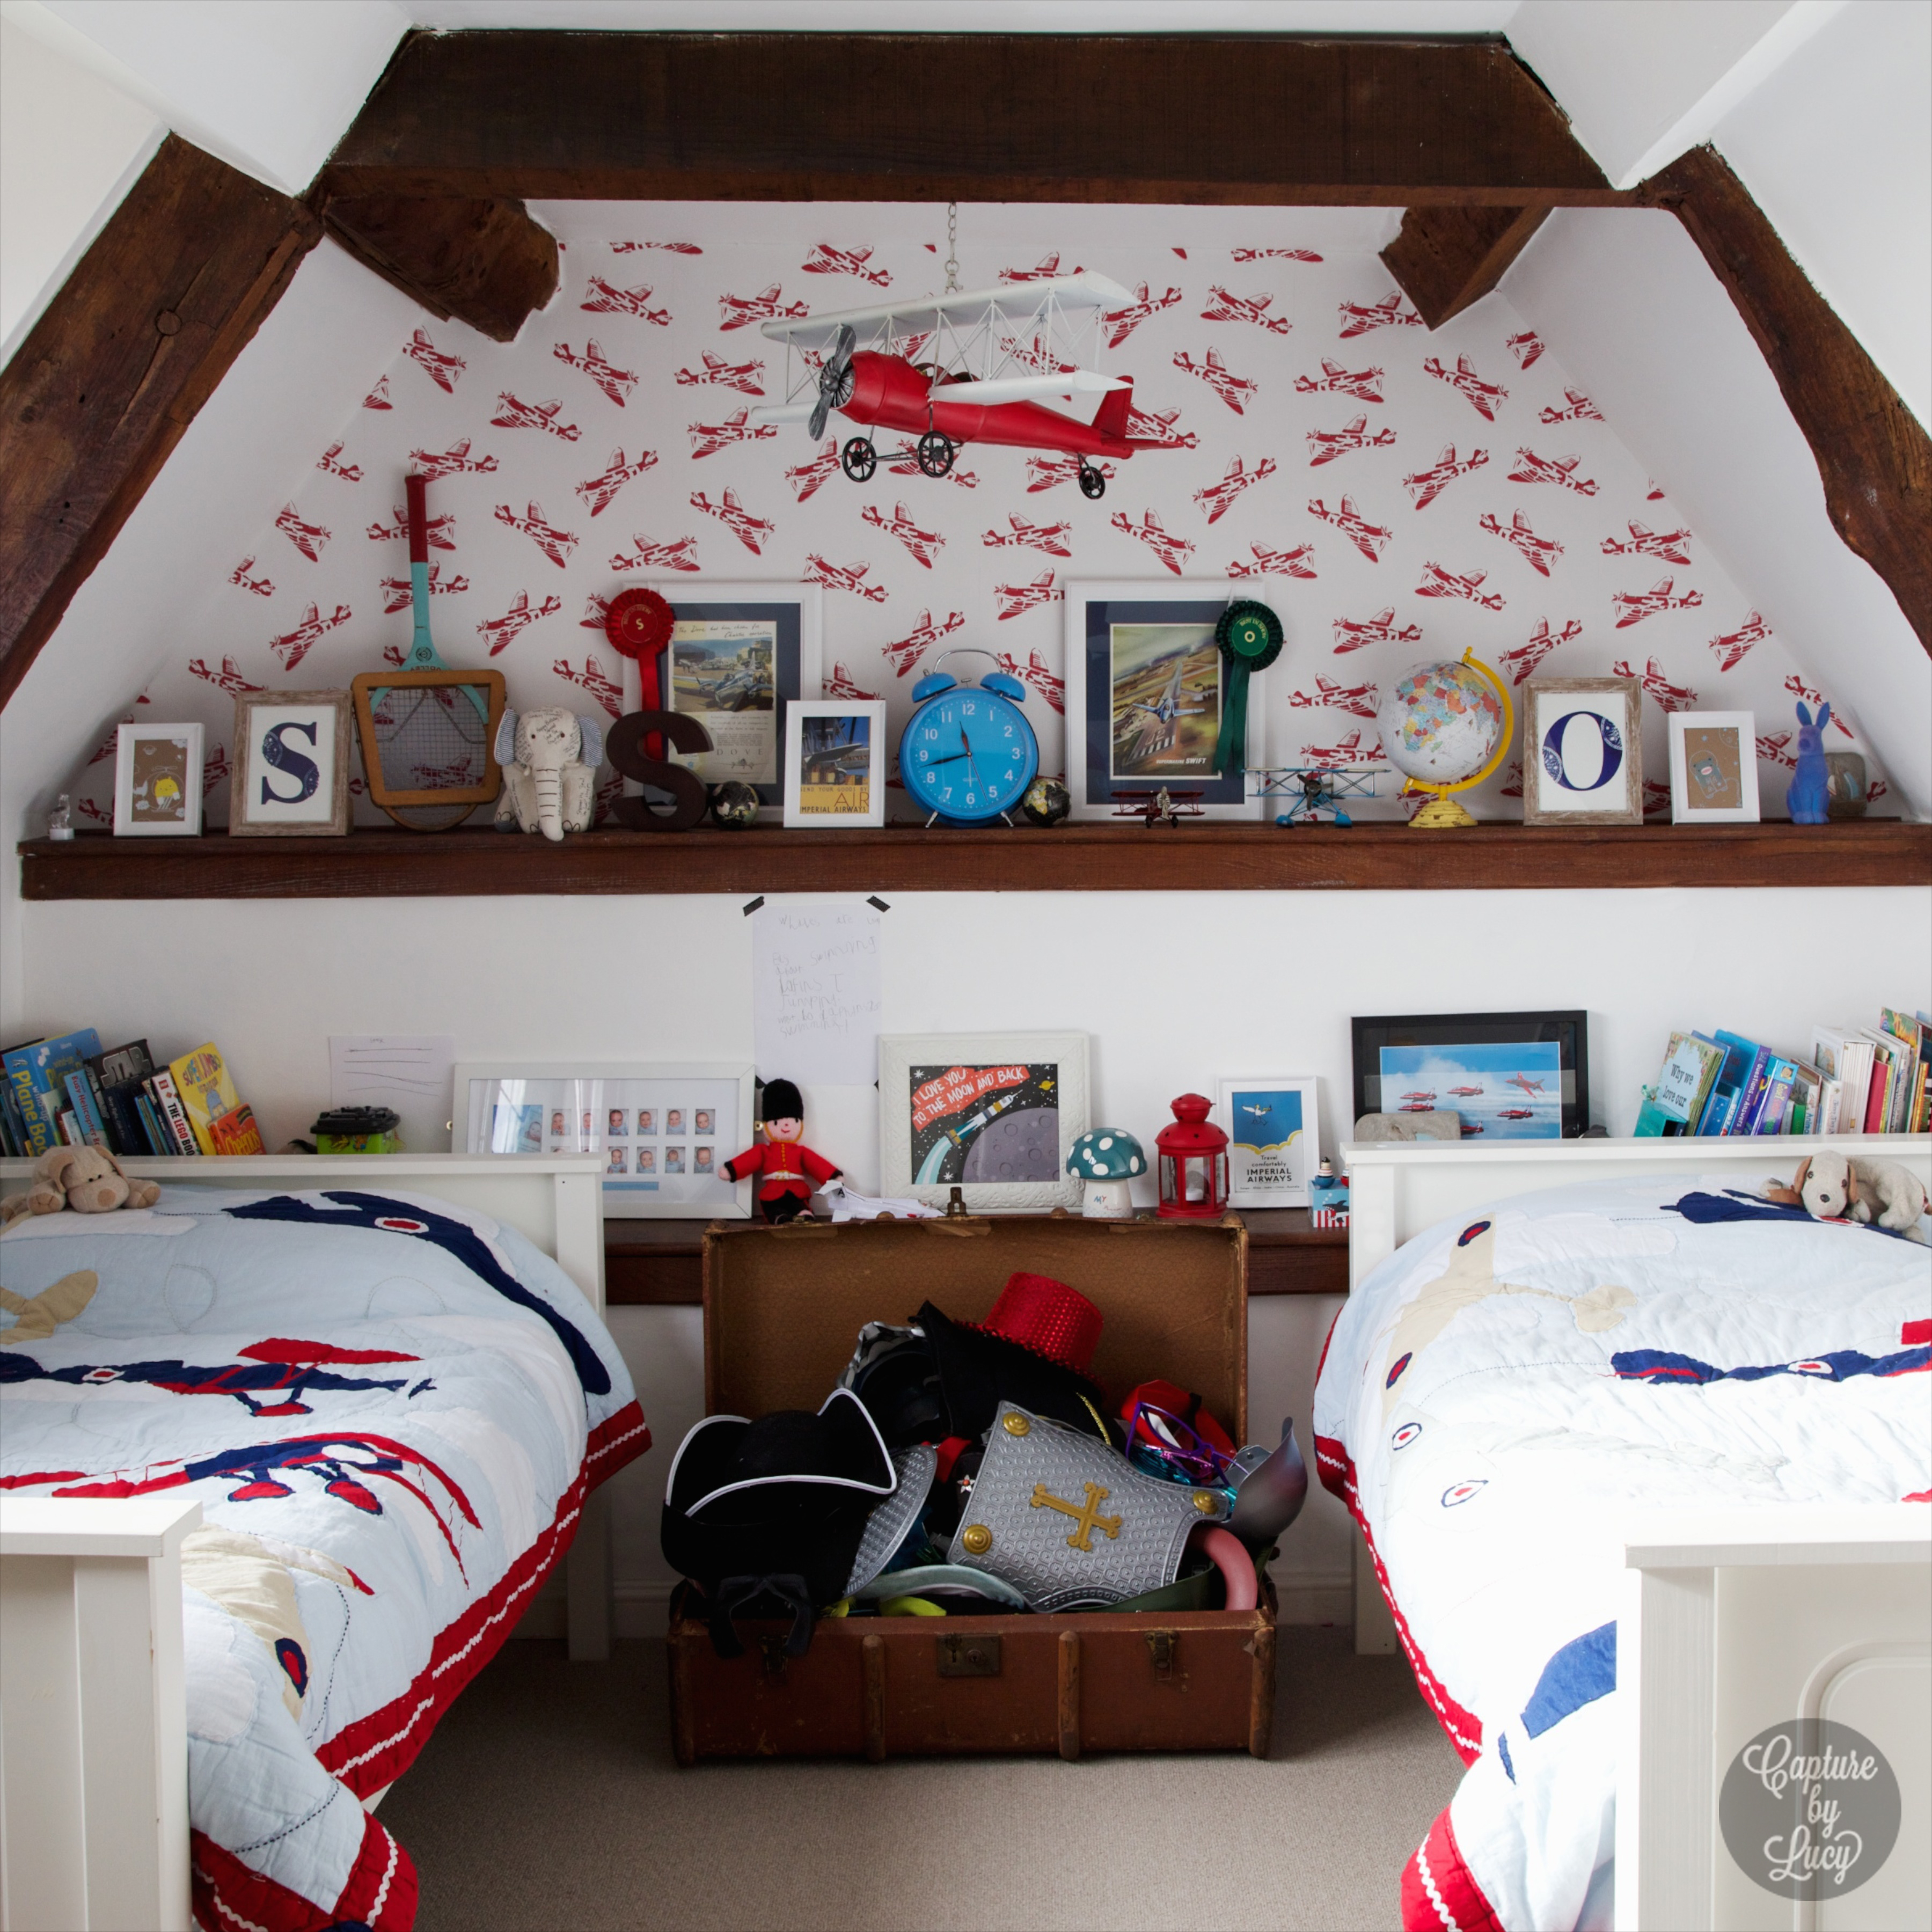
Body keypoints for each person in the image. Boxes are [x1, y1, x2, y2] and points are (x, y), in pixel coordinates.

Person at [722, 1078, 841, 1224]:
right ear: (766, 1124)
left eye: (794, 1121)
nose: (785, 1126)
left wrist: (833, 1177)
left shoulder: (801, 1152)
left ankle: (804, 1215)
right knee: (773, 1209)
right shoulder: (763, 1151)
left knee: (801, 1206)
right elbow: (747, 1162)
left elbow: (816, 1165)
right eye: (777, 1123)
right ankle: (780, 1218)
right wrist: (731, 1170)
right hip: (772, 1194)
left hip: (797, 1192)